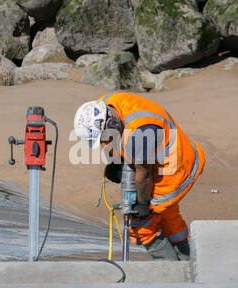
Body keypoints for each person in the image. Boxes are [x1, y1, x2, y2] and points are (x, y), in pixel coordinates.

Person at [73, 93, 205, 260]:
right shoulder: (106, 105)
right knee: (168, 215)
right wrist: (118, 161)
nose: (103, 143)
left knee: (142, 226)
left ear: (110, 123)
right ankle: (187, 259)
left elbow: (144, 174)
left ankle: (171, 270)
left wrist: (142, 204)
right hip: (167, 154)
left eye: (103, 138)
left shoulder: (140, 135)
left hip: (175, 171)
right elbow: (118, 141)